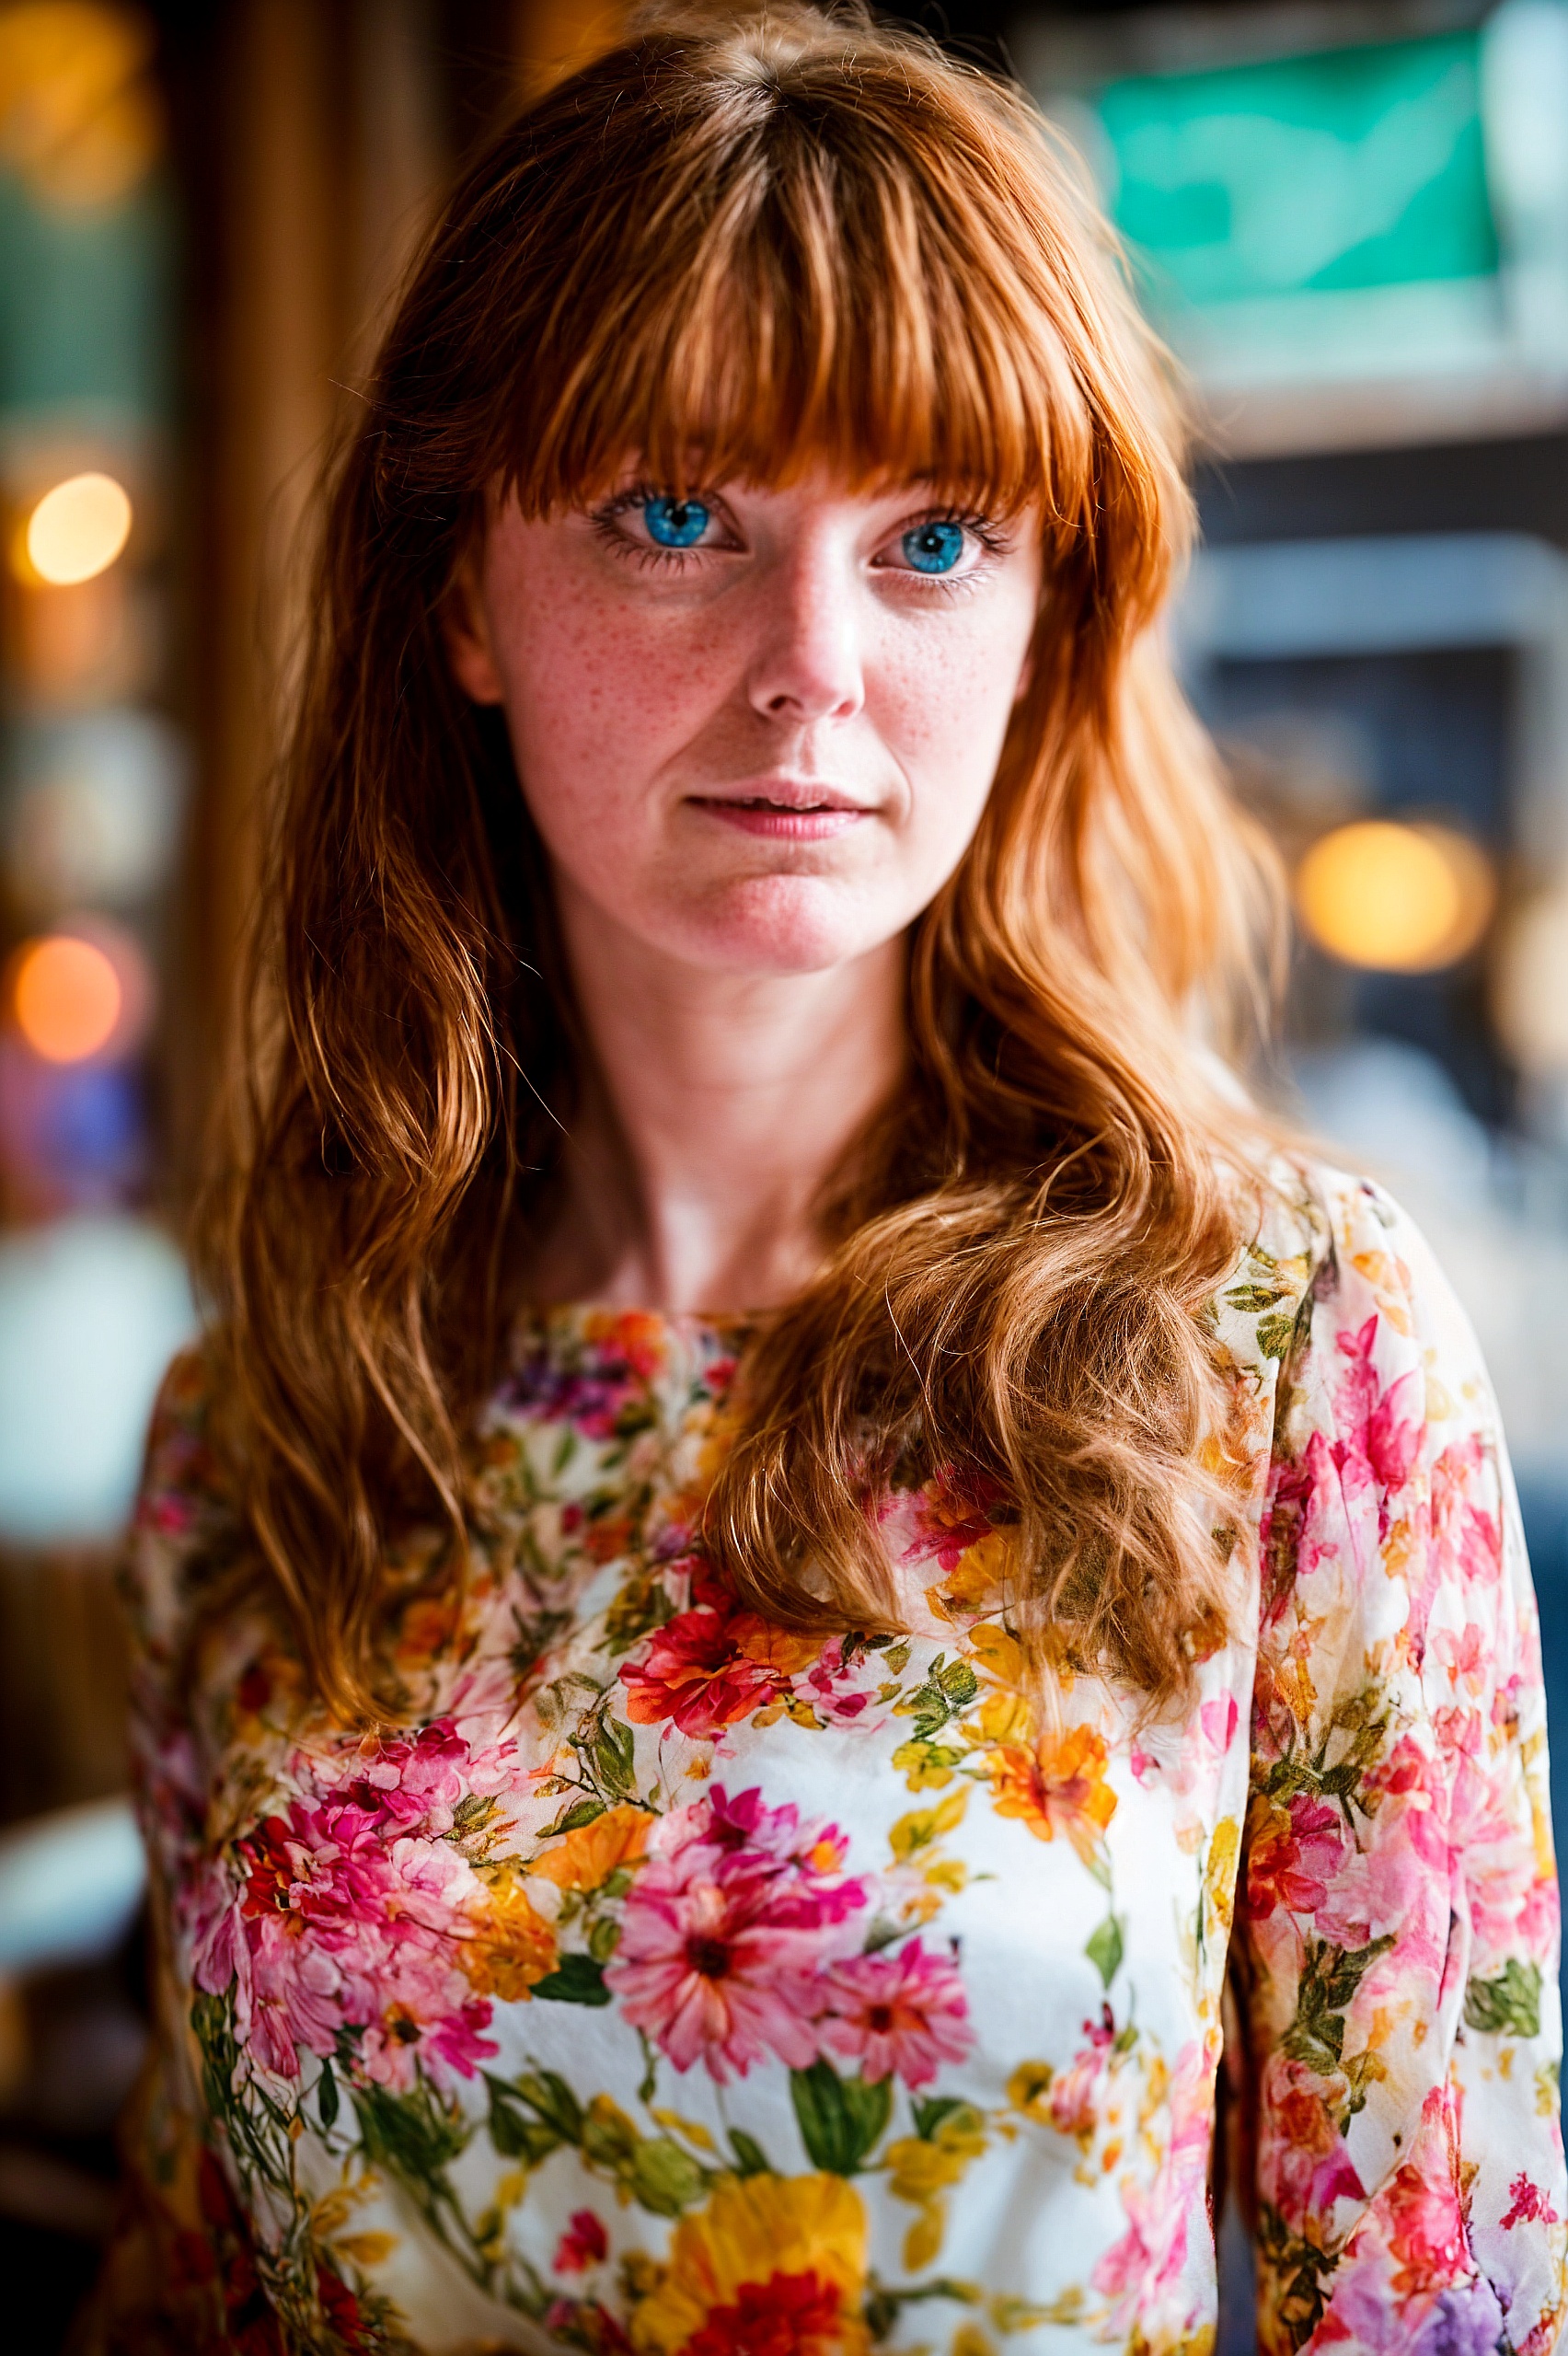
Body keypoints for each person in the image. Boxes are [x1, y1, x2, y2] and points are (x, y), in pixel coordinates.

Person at [86, 7, 1566, 2352]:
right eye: (678, 516)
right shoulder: (274, 1410)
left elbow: (1436, 2288)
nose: (814, 672)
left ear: (1048, 611)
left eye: (932, 541)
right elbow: (200, 2269)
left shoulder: (1288, 1340)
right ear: (462, 592)